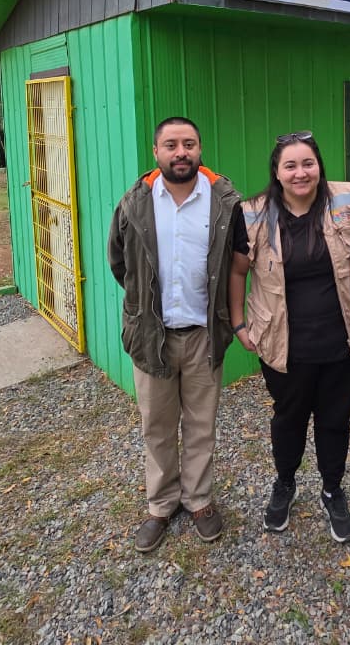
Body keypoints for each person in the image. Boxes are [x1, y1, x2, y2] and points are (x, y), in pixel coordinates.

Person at [108, 116, 249, 553]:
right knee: (157, 426)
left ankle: (199, 499)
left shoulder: (224, 200)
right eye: (171, 145)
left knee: (202, 425)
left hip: (205, 334)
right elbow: (119, 262)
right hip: (153, 335)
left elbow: (239, 262)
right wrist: (142, 311)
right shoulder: (136, 202)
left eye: (189, 143)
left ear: (200, 147)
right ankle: (161, 505)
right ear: (157, 152)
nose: (181, 152)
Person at [230, 131, 350, 543]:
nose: (300, 172)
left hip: (343, 341)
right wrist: (239, 325)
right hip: (282, 345)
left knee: (335, 419)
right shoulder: (253, 212)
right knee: (288, 418)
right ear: (276, 172)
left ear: (319, 165)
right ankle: (285, 483)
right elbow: (238, 272)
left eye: (307, 163)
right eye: (290, 165)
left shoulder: (346, 198)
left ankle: (332, 489)